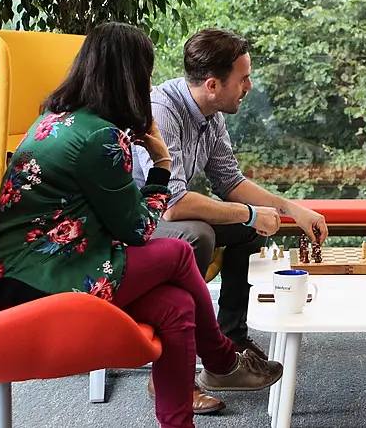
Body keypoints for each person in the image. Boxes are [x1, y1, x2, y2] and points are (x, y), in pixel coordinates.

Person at [0, 23, 282, 428]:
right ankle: (223, 358)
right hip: (39, 283)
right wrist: (162, 165)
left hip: (15, 274)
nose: (150, 83)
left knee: (178, 307)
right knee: (176, 250)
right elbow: (138, 229)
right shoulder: (100, 138)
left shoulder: (57, 119)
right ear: (130, 76)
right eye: (146, 73)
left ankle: (181, 418)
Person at [131, 28, 329, 408]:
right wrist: (251, 213)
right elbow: (171, 203)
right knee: (197, 236)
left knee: (245, 229)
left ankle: (230, 342)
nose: (249, 86)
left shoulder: (210, 112)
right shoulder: (162, 111)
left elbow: (229, 181)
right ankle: (172, 378)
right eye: (243, 78)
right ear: (212, 84)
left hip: (168, 212)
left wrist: (291, 209)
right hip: (139, 221)